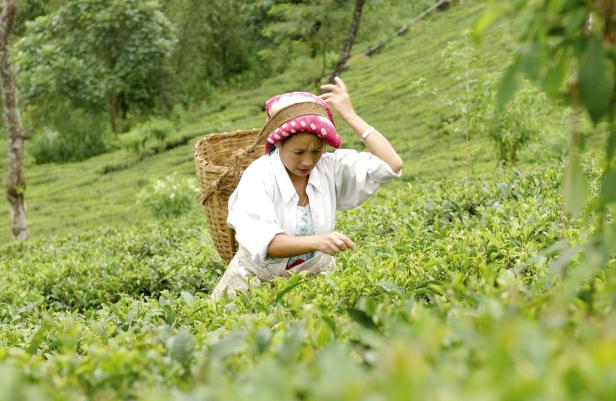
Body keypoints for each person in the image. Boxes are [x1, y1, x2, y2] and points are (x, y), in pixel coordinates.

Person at [212, 77, 403, 300]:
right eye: (299, 152)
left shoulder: (328, 167)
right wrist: (318, 241)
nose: (307, 161)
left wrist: (350, 115)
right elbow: (267, 243)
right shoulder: (259, 176)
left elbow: (392, 164)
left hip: (314, 287)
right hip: (253, 290)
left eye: (316, 151)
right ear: (279, 143)